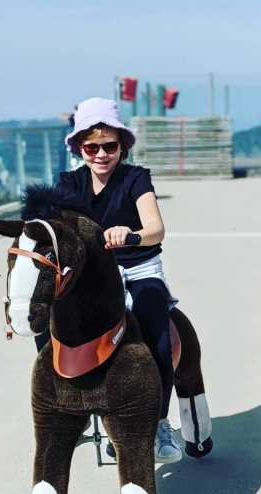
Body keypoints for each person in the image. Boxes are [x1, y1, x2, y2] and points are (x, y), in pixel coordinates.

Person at [36, 97, 182, 464]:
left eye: (110, 146)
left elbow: (156, 229)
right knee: (46, 322)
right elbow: (56, 229)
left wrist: (131, 235)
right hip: (93, 275)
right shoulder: (68, 183)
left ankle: (160, 423)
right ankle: (67, 404)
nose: (101, 154)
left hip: (139, 267)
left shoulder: (136, 178)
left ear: (122, 146)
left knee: (156, 329)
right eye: (92, 147)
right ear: (79, 148)